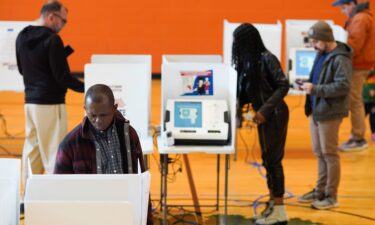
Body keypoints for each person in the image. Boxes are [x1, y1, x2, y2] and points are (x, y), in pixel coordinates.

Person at [54, 84, 153, 224]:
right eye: (92, 115)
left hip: (126, 214)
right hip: (88, 218)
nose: (98, 120)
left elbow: (143, 184)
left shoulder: (129, 135)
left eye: (104, 115)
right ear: (85, 110)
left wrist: (147, 220)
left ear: (114, 108)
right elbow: (59, 193)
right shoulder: (70, 144)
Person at [16, 1, 84, 191]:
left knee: (32, 151)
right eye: (63, 21)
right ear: (51, 17)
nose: (63, 25)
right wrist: (88, 89)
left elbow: (22, 69)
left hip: (30, 103)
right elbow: (62, 77)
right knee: (55, 152)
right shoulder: (53, 40)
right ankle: (56, 196)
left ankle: (27, 195)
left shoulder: (22, 35)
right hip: (50, 104)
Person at [232, 23, 290, 225]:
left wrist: (264, 111)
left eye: (238, 42)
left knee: (273, 161)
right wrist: (240, 112)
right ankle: (274, 202)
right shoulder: (250, 62)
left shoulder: (267, 58)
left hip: (275, 114)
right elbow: (249, 91)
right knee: (267, 160)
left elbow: (283, 85)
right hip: (265, 116)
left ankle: (281, 211)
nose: (235, 46)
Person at [298, 21, 352, 210]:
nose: (313, 45)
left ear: (325, 39)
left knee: (330, 154)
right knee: (319, 153)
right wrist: (307, 84)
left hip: (330, 112)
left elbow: (343, 86)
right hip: (316, 110)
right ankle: (320, 190)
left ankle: (331, 195)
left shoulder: (340, 58)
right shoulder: (321, 53)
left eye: (315, 41)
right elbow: (317, 78)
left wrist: (316, 89)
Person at [332, 0, 375, 151]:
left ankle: (358, 138)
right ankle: (356, 136)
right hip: (359, 64)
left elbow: (353, 45)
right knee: (355, 100)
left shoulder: (360, 19)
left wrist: (332, 48)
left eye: (344, 7)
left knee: (354, 101)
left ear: (352, 4)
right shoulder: (360, 17)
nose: (342, 11)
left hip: (358, 65)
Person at [363, 70, 375, 141]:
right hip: (363, 101)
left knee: (373, 118)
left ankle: (374, 133)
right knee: (360, 118)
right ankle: (357, 134)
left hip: (373, 102)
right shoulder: (361, 75)